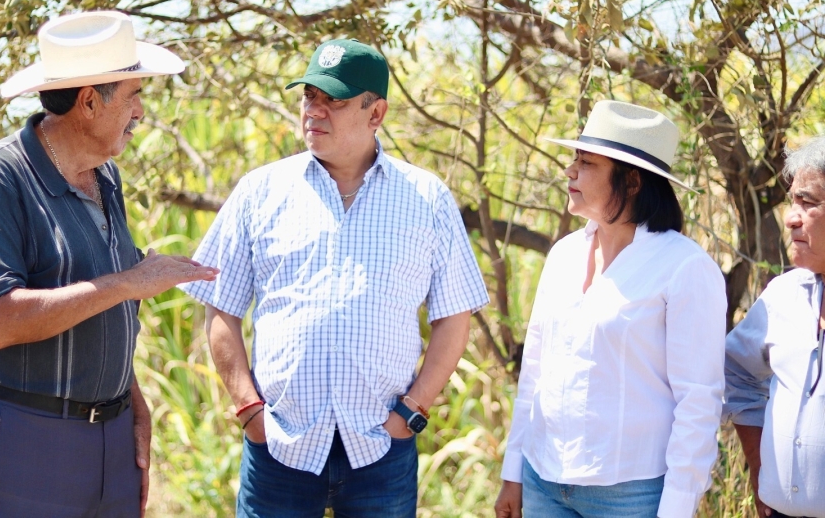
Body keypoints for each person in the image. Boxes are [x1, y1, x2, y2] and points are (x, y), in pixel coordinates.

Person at [179, 38, 489, 517]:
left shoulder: (427, 199)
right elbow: (220, 306)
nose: (314, 111)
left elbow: (455, 315)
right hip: (279, 447)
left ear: (376, 112)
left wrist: (410, 413)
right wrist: (249, 411)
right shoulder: (260, 191)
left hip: (381, 450)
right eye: (309, 96)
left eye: (334, 101)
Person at [0, 10, 219, 517]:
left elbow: (104, 307)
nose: (141, 112)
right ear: (90, 101)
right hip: (25, 446)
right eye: (134, 95)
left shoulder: (106, 176)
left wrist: (132, 401)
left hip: (112, 442)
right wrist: (129, 283)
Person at [494, 100, 727, 518]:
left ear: (632, 181)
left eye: (587, 163)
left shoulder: (686, 268)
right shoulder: (564, 254)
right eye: (575, 159)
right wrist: (514, 471)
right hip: (542, 479)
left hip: (630, 495)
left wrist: (677, 508)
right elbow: (535, 372)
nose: (570, 171)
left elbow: (698, 400)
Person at [723, 137, 825, 518]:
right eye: (792, 201)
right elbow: (736, 372)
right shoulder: (783, 296)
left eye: (808, 202)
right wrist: (758, 462)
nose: (791, 217)